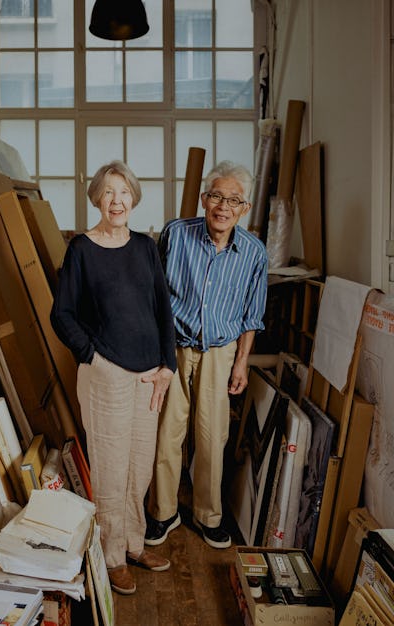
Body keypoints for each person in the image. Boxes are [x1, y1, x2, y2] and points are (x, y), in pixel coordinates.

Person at [50, 160, 176, 595]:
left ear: (133, 197)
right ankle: (112, 555)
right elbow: (61, 315)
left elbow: (163, 310)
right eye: (109, 192)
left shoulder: (144, 247)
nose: (117, 200)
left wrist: (168, 367)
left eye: (124, 192)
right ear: (97, 199)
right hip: (107, 378)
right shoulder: (81, 250)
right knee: (109, 472)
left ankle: (135, 544)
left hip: (149, 379)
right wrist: (94, 360)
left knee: (139, 469)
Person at [145, 160, 268, 549]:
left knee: (213, 438)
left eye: (233, 200)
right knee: (167, 434)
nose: (223, 206)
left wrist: (242, 361)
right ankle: (162, 513)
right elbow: (155, 294)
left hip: (221, 352)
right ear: (203, 199)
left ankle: (208, 515)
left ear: (244, 208)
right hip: (174, 349)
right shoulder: (176, 234)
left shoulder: (253, 252)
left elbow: (253, 314)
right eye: (216, 195)